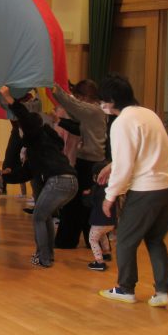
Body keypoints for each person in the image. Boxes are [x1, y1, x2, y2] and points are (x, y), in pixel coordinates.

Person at [97, 74, 168, 307]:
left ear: (111, 100)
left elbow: (125, 164)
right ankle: (162, 291)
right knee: (155, 239)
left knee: (124, 239)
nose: (101, 105)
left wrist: (110, 195)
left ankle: (125, 288)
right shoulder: (148, 113)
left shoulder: (122, 122)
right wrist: (112, 165)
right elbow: (150, 151)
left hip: (147, 191)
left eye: (102, 100)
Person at [0, 85, 78, 268]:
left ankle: (43, 258)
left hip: (58, 182)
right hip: (71, 182)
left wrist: (9, 97)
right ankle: (47, 256)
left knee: (38, 217)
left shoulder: (35, 136)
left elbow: (24, 117)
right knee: (45, 215)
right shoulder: (43, 145)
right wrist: (6, 177)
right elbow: (26, 172)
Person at [52, 80, 109, 249]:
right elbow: (79, 128)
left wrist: (53, 85)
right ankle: (90, 241)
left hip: (90, 163)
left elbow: (70, 104)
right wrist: (60, 121)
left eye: (79, 97)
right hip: (91, 162)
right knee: (85, 203)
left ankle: (67, 241)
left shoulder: (93, 110)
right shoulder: (95, 111)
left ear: (85, 96)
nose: (77, 100)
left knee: (78, 203)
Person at [82, 161, 115, 271]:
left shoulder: (96, 188)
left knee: (92, 239)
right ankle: (106, 253)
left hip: (99, 221)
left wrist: (86, 195)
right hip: (111, 222)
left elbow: (89, 203)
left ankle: (99, 261)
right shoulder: (112, 188)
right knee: (102, 235)